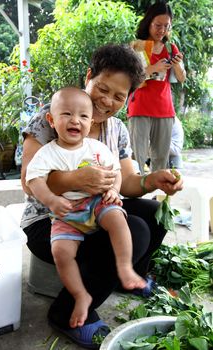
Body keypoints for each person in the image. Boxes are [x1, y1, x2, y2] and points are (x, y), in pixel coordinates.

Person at [20, 44, 183, 349]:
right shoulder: (53, 116)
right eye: (103, 89)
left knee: (155, 215)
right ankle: (66, 311)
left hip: (94, 211)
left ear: (129, 98)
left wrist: (152, 181)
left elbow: (127, 183)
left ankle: (126, 277)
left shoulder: (117, 130)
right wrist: (75, 179)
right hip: (53, 219)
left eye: (119, 96)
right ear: (89, 77)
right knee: (135, 229)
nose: (107, 101)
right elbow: (29, 181)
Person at [25, 86, 146, 329]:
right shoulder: (48, 153)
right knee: (61, 252)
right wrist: (51, 200)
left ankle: (125, 268)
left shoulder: (96, 149)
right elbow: (33, 180)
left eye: (82, 116)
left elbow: (116, 173)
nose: (75, 121)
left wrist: (113, 190)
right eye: (67, 114)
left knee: (119, 220)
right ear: (51, 120)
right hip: (66, 212)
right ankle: (80, 295)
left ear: (90, 123)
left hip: (96, 203)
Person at [127, 1, 186, 175]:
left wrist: (176, 65)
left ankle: (158, 199)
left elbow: (182, 78)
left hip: (164, 109)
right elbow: (131, 78)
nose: (162, 30)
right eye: (157, 25)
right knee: (137, 158)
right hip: (140, 107)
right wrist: (154, 68)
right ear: (149, 23)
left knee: (161, 160)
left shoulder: (171, 48)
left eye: (166, 26)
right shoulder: (137, 46)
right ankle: (134, 197)